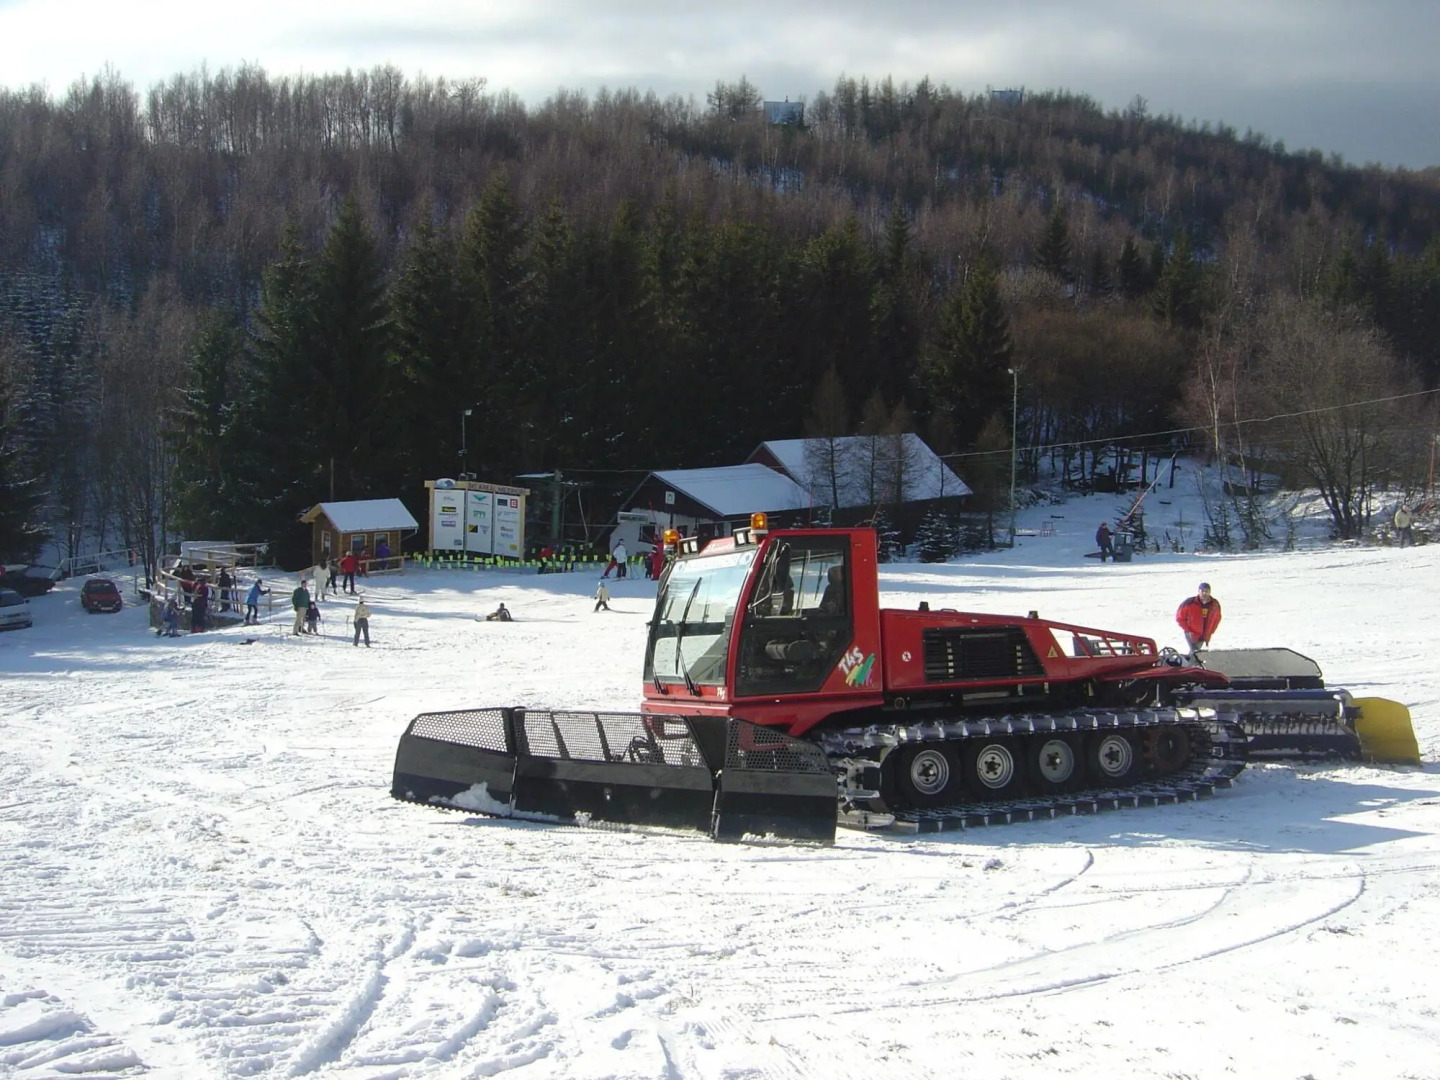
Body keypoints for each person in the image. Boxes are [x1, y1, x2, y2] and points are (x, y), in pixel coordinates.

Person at [1176, 582, 1222, 656]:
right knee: (1195, 652)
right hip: (1192, 634)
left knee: (1196, 653)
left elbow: (1217, 619)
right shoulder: (1190, 603)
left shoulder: (1215, 604)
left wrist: (1211, 631)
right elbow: (1180, 618)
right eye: (1202, 591)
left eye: (1206, 591)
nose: (1204, 593)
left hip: (1204, 634)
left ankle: (1189, 665)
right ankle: (1190, 666)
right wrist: (1188, 630)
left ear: (1209, 592)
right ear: (1198, 591)